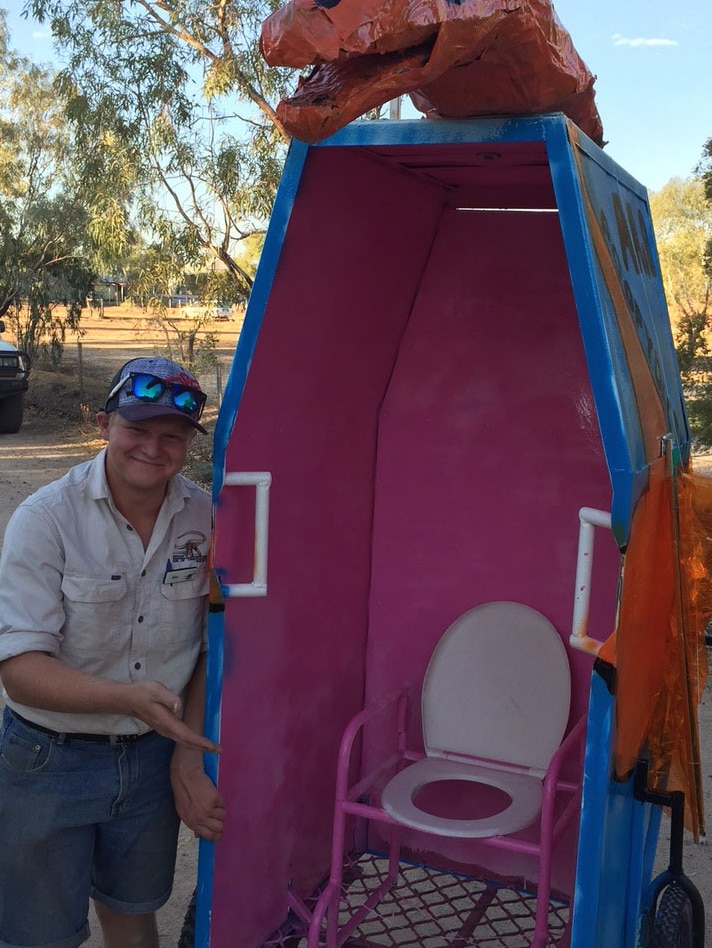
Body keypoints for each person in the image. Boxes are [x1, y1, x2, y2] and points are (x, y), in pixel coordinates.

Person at [0, 356, 225, 948]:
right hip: (48, 758)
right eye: (137, 429)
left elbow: (214, 642)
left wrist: (185, 752)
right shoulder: (44, 519)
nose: (153, 448)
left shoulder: (208, 518)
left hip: (151, 757)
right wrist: (125, 698)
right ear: (102, 424)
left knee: (132, 911)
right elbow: (21, 672)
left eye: (172, 437)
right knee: (40, 934)